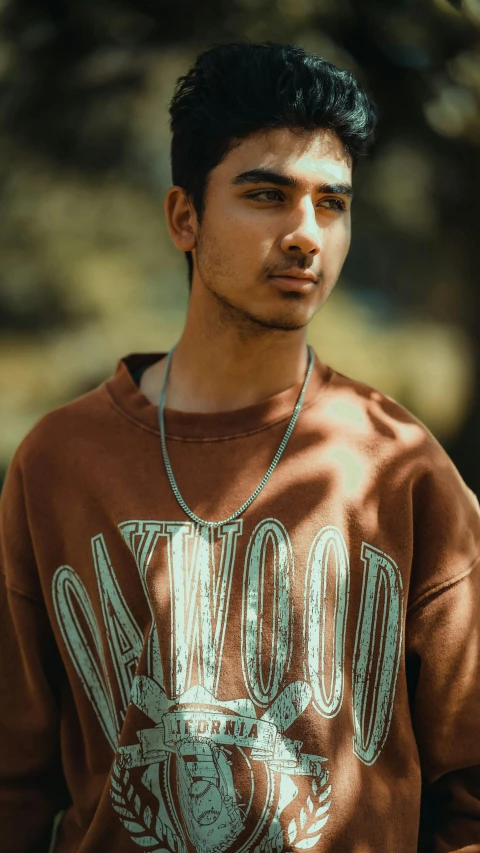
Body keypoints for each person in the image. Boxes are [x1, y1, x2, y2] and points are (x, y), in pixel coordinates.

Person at [0, 40, 479, 853]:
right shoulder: (58, 462)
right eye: (268, 194)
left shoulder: (402, 466)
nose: (305, 234)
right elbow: (12, 782)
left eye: (333, 204)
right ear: (184, 217)